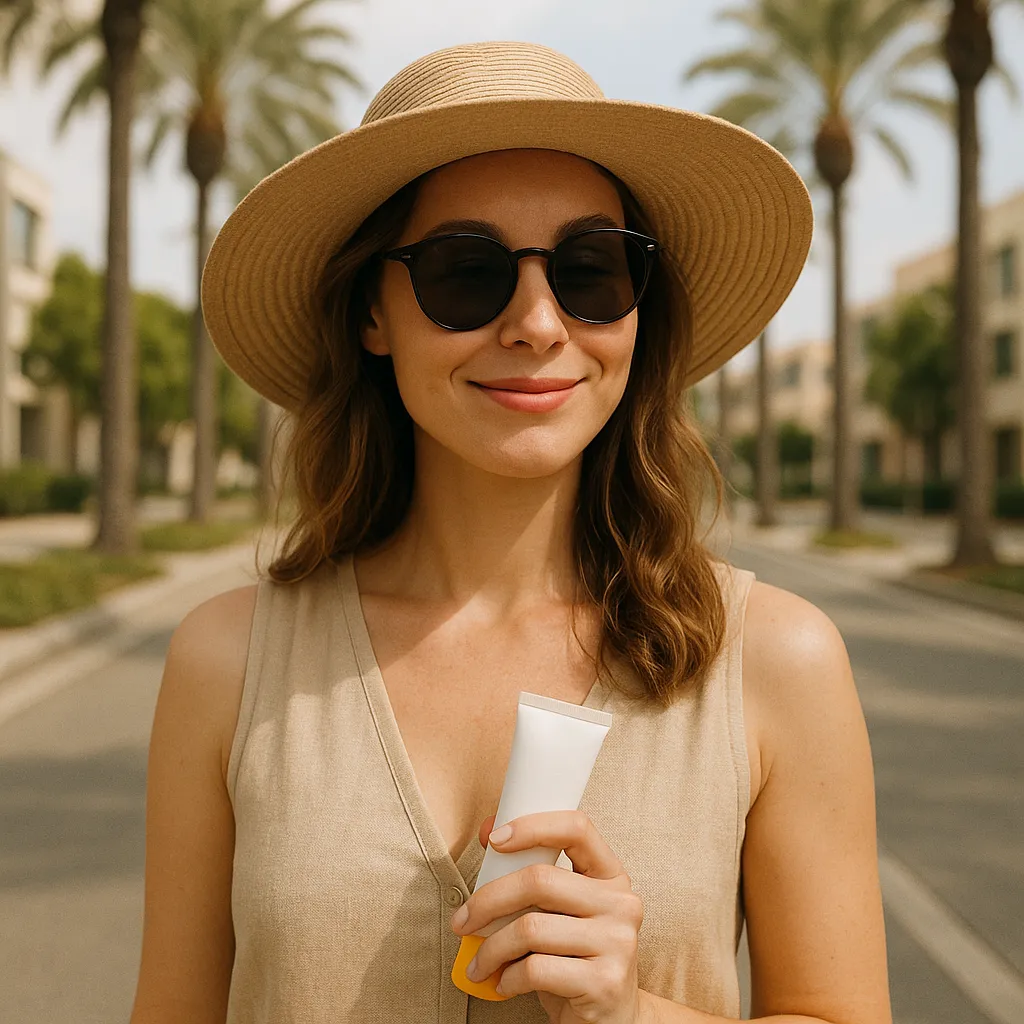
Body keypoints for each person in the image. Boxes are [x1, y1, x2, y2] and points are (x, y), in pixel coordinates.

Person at [129, 41, 891, 1024]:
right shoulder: (228, 662)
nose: (537, 322)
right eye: (465, 272)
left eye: (590, 270)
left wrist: (630, 1013)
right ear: (372, 313)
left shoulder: (777, 661)